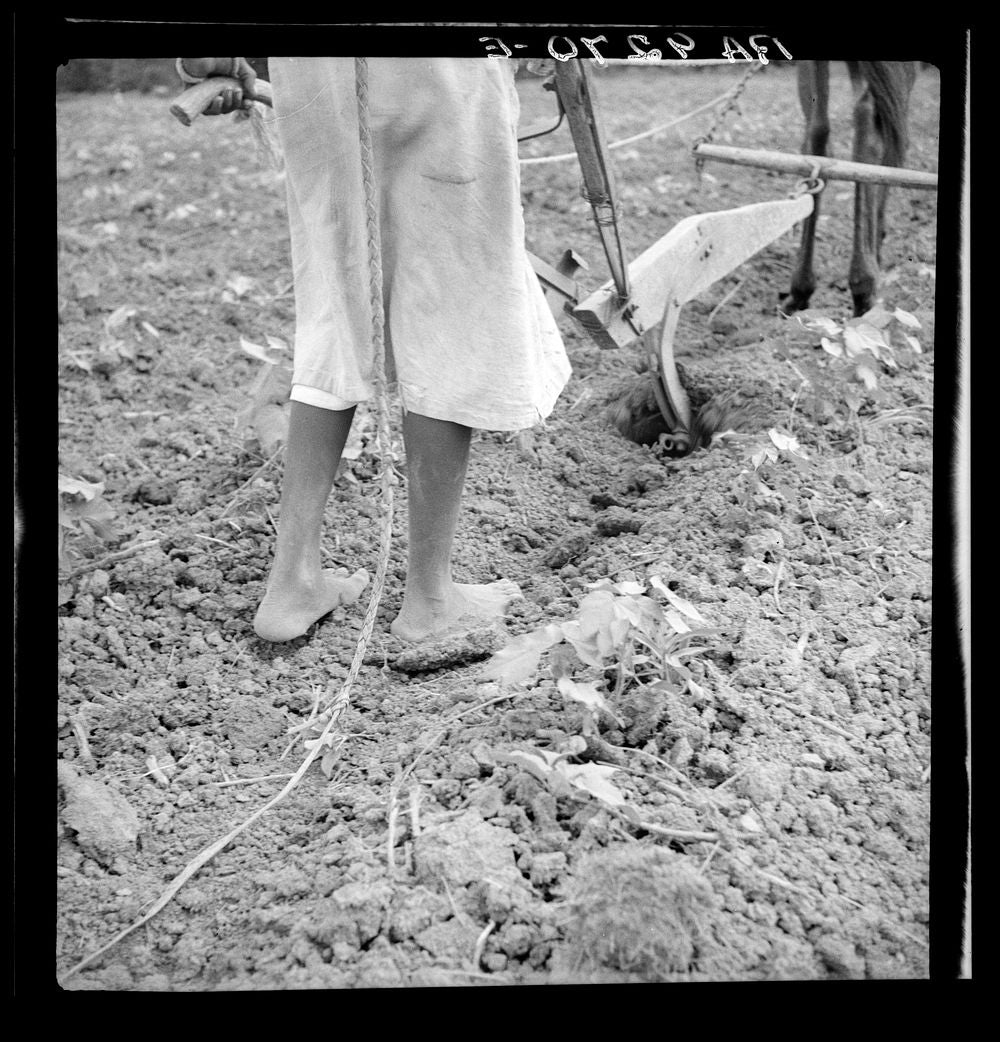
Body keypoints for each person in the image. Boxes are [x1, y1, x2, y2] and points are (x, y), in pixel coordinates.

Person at [177, 57, 571, 644]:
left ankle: (292, 582)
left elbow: (200, 56)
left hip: (318, 76)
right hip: (437, 68)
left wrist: (214, 58)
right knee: (448, 308)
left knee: (336, 312)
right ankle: (432, 599)